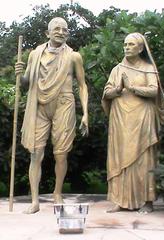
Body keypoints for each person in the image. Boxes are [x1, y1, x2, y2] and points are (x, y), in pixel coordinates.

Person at [15, 17, 88, 214]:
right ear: (48, 33)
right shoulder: (35, 54)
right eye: (57, 29)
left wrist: (86, 114)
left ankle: (57, 192)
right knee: (35, 154)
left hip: (64, 104)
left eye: (65, 29)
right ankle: (35, 200)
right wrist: (20, 74)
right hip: (39, 106)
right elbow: (27, 81)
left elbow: (82, 85)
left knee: (61, 154)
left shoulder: (74, 57)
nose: (61, 32)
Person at [102, 32, 164, 213]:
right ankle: (119, 199)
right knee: (119, 158)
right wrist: (117, 89)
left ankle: (147, 201)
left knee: (143, 160)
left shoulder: (148, 68)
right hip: (120, 119)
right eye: (125, 44)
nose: (127, 47)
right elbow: (106, 93)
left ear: (140, 48)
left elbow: (154, 91)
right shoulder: (117, 70)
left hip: (142, 118)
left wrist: (132, 88)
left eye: (131, 45)